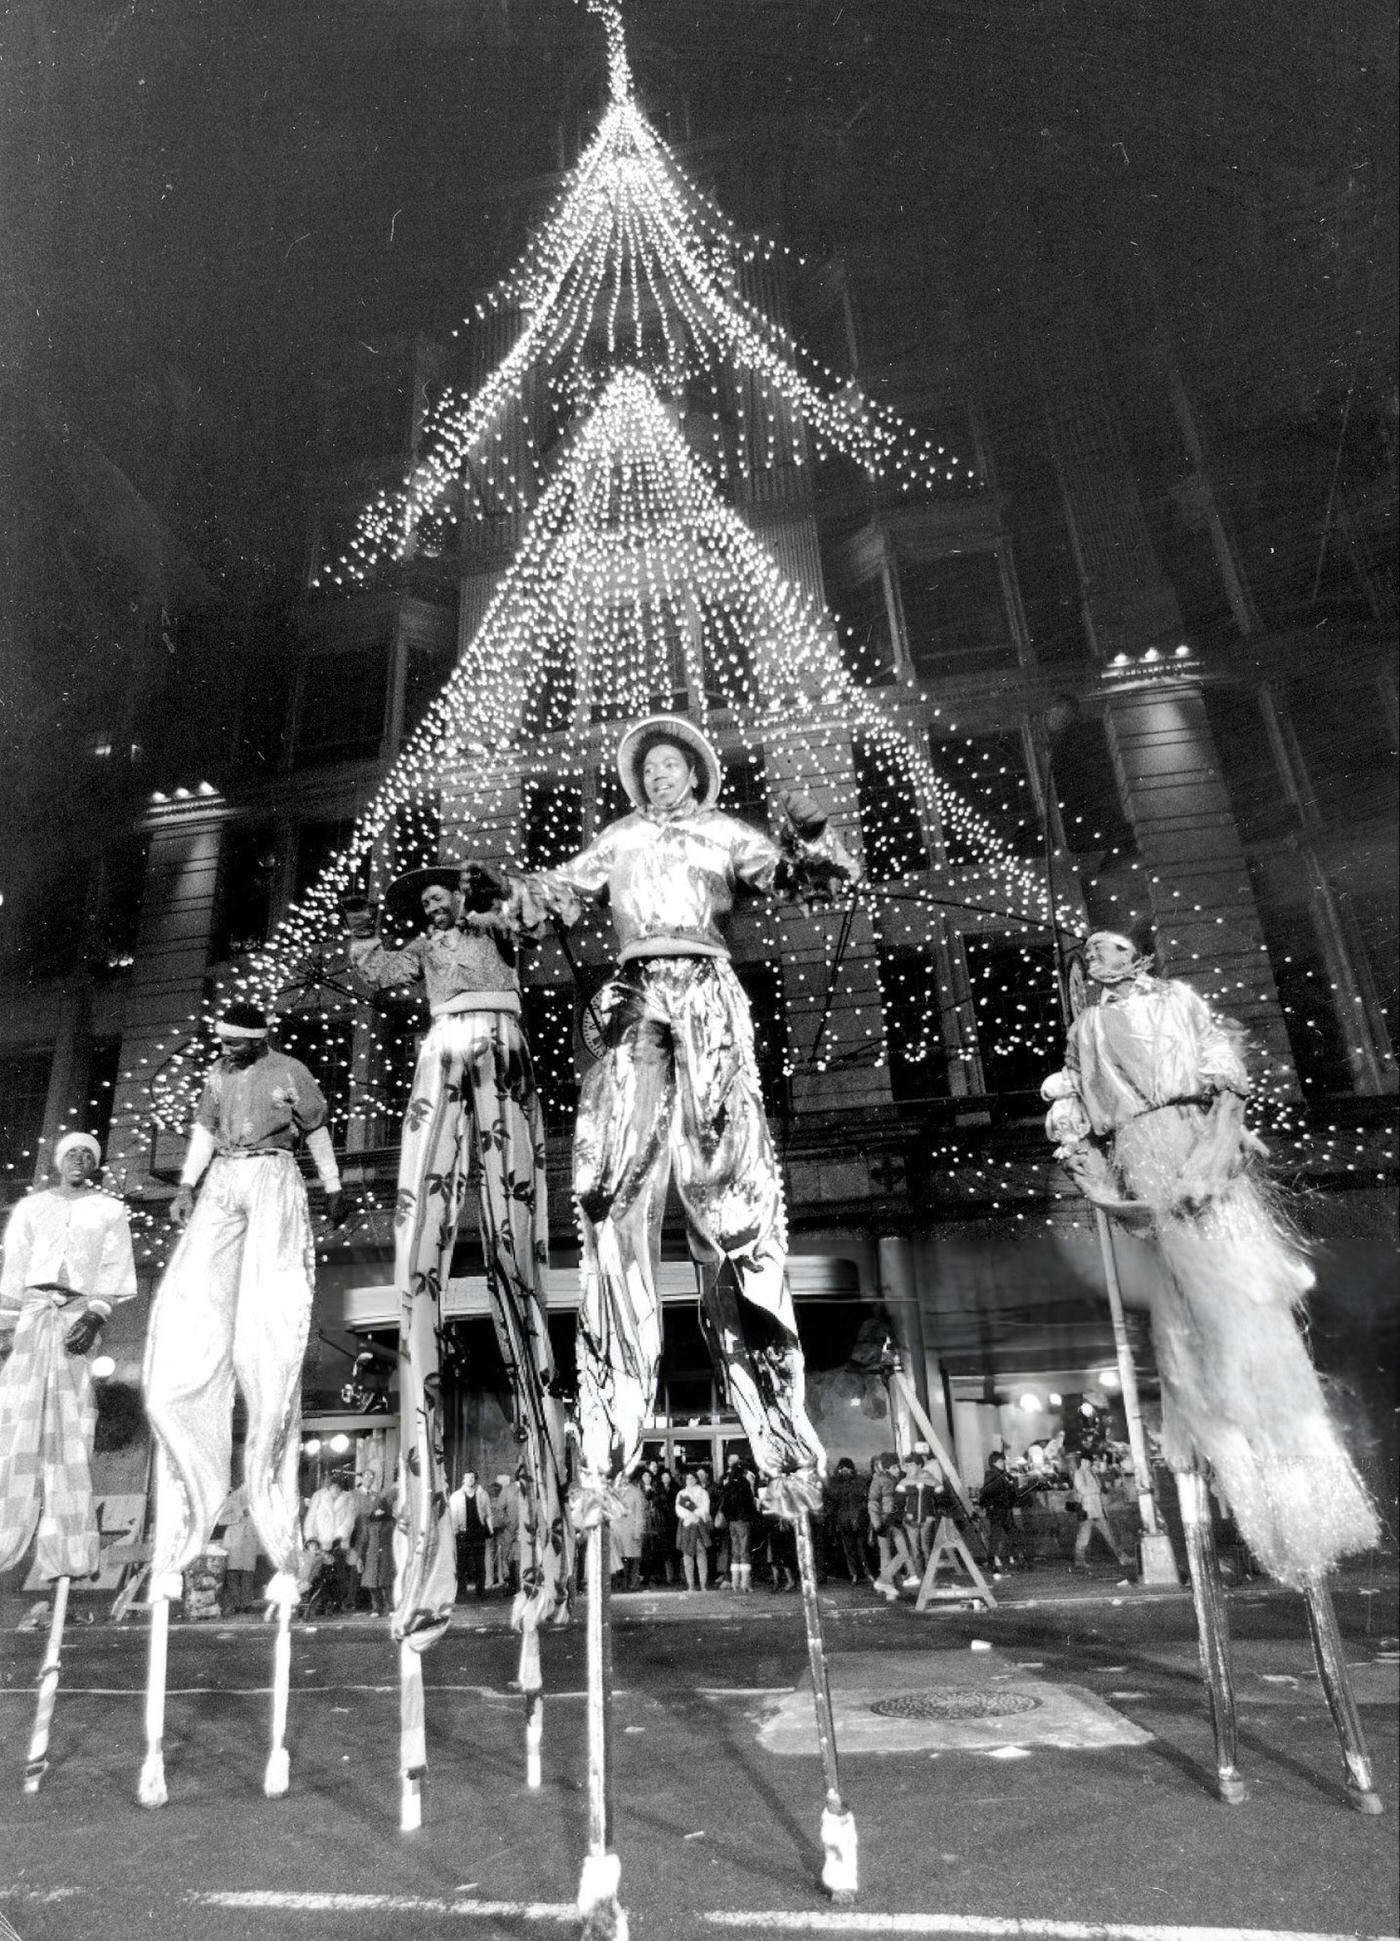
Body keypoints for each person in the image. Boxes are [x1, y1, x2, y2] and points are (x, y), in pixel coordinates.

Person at [510, 715, 860, 1497]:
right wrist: (506, 898)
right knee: (609, 1198)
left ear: (695, 774)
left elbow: (801, 877)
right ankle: (603, 1452)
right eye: (650, 769)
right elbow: (558, 893)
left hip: (705, 990)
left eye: (672, 766)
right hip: (635, 998)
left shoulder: (723, 832)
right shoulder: (620, 838)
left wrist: (811, 838)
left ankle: (783, 1446)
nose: (660, 776)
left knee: (733, 1199)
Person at [344, 865, 570, 1648]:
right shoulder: (425, 944)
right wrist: (358, 925)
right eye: (429, 900)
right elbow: (378, 971)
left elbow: (532, 924)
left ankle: (549, 1557)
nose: (435, 905)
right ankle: (425, 1565)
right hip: (446, 1042)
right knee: (424, 1235)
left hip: (499, 1038)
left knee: (514, 1236)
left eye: (443, 896)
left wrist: (496, 896)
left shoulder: (490, 926)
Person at [143, 1003, 343, 1602]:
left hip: (275, 1174)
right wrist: (185, 1186)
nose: (227, 1049)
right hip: (225, 1178)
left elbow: (317, 1129)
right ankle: (179, 1545)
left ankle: (284, 1544)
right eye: (222, 1041)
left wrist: (332, 1186)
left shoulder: (290, 1071)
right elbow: (204, 1132)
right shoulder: (219, 1074)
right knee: (193, 1309)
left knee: (268, 1330)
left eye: (236, 1042)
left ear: (259, 1040)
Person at [0, 1132, 138, 1583]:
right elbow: (15, 1266)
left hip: (77, 1314)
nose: (78, 1159)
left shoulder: (109, 1209)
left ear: (94, 1164)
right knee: (15, 1421)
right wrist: (5, 1327)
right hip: (32, 1313)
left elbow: (114, 1267)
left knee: (71, 1426)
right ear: (59, 1161)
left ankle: (68, 1548)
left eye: (87, 1154)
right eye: (71, 1153)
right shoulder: (32, 1207)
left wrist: (96, 1316)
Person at [304, 1472, 358, 1608]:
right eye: (333, 1486)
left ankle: (334, 1603)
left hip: (338, 1543)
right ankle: (316, 1603)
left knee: (337, 1574)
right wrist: (311, 1537)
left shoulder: (348, 1498)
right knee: (316, 1573)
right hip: (319, 1542)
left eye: (339, 1487)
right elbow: (311, 1518)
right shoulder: (319, 1496)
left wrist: (340, 1535)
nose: (336, 1490)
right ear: (329, 1486)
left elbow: (349, 1520)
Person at [1069, 1451, 1131, 1571]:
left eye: (1090, 1462)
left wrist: (1099, 1491)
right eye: (1088, 1461)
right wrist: (1097, 1489)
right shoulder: (1079, 1473)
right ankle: (1079, 1562)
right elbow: (1083, 1490)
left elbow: (1095, 1489)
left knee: (1110, 1536)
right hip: (1087, 1511)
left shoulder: (1093, 1473)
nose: (1089, 1464)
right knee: (1083, 1538)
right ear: (1083, 1461)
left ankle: (1122, 1558)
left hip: (1098, 1510)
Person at [714, 1452, 758, 1593]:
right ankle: (745, 1583)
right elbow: (750, 1503)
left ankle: (734, 1582)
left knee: (735, 1552)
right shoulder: (744, 1483)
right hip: (743, 1521)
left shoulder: (728, 1484)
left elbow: (723, 1503)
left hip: (732, 1522)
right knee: (745, 1552)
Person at [825, 1456, 871, 1585]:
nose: (845, 1471)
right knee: (853, 1548)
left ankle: (859, 1573)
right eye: (843, 1469)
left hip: (851, 1519)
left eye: (847, 1469)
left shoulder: (841, 1483)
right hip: (848, 1520)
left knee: (856, 1548)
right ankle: (858, 1573)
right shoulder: (856, 1481)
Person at [978, 1451, 1027, 1572]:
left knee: (1007, 1535)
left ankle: (1019, 1560)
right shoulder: (992, 1474)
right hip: (998, 1510)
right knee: (999, 1537)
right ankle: (994, 1562)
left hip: (1003, 1510)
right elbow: (989, 1492)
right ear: (994, 1462)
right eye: (1000, 1461)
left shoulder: (1001, 1474)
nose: (1003, 1463)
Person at [449, 1469, 493, 1598]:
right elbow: (453, 1516)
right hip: (463, 1533)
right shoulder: (456, 1496)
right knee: (462, 1563)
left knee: (480, 1562)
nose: (470, 1480)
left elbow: (488, 1513)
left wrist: (490, 1529)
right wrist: (455, 1531)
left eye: (473, 1477)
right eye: (468, 1477)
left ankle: (481, 1591)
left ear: (475, 1479)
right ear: (463, 1480)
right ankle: (461, 1591)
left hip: (478, 1532)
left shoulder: (482, 1494)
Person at [866, 1451, 901, 1602]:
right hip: (885, 1522)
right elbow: (874, 1504)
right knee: (889, 1554)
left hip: (890, 1522)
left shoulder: (892, 1479)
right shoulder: (883, 1481)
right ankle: (887, 1584)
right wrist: (878, 1524)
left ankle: (887, 1584)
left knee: (888, 1554)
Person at [674, 1469, 712, 1591]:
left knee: (701, 1554)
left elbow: (705, 1508)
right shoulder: (681, 1493)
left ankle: (703, 1584)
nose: (690, 1480)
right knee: (687, 1556)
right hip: (686, 1524)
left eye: (692, 1478)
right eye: (687, 1478)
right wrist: (690, 1516)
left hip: (699, 1524)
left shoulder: (703, 1492)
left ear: (696, 1479)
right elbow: (679, 1509)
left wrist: (695, 1514)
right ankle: (690, 1585)